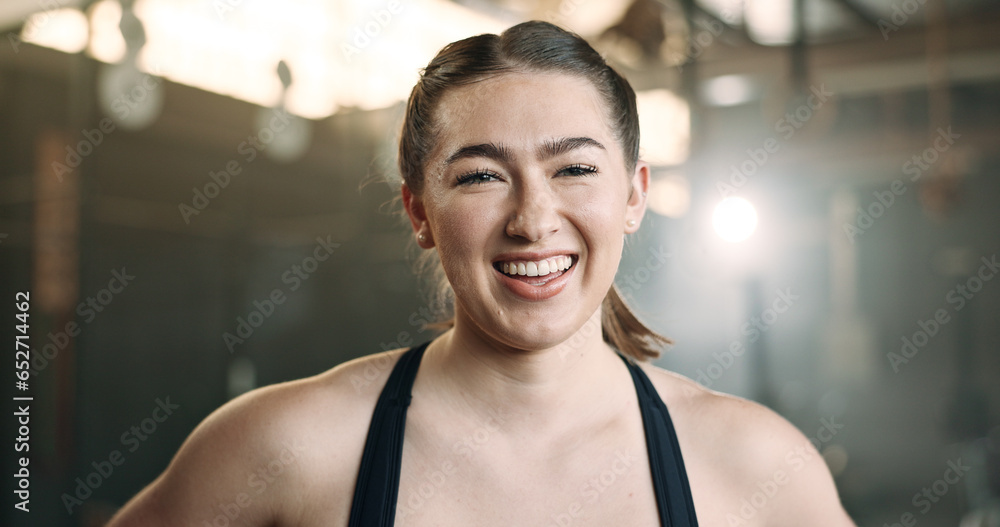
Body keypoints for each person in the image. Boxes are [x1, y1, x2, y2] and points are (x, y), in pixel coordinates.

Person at [108, 21, 855, 526]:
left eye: (575, 168)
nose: (533, 217)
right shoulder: (288, 444)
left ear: (633, 195)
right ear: (419, 211)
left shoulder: (758, 467)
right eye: (480, 177)